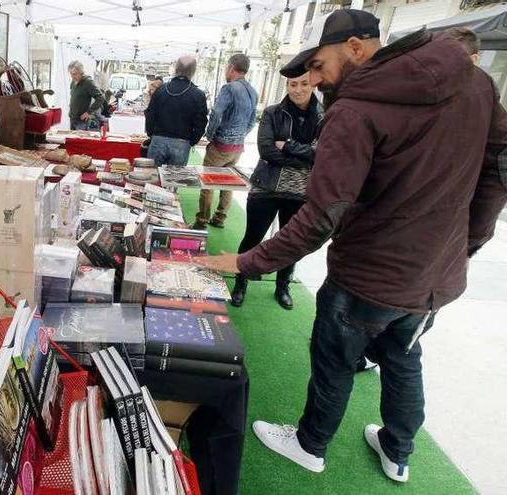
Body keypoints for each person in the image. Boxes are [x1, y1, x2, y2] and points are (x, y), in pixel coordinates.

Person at [200, 10, 507, 482]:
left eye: (320, 65)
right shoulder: (479, 86)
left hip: (368, 272)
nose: (315, 78)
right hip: (433, 276)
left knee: (336, 361)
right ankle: (397, 450)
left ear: (356, 48)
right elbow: (498, 172)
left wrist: (246, 260)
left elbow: (322, 214)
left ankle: (310, 445)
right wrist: (467, 242)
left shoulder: (354, 108)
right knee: (403, 358)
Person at [232, 72, 322, 310]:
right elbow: (266, 150)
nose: (298, 89)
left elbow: (323, 154)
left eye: (304, 84)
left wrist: (289, 146)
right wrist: (306, 156)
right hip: (267, 187)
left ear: (314, 84)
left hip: (302, 192)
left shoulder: (325, 115)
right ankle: (241, 281)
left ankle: (283, 285)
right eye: (293, 84)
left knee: (292, 242)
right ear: (287, 85)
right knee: (253, 237)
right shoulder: (273, 112)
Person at [194, 54, 258, 229]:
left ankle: (202, 220)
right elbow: (252, 120)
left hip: (221, 144)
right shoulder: (253, 91)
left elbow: (216, 113)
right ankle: (220, 217)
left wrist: (210, 134)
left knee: (207, 182)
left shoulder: (229, 88)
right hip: (238, 146)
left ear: (231, 67)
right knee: (227, 182)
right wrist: (241, 135)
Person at [144, 55, 209, 166]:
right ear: (193, 71)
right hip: (182, 142)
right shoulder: (198, 94)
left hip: (158, 140)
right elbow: (201, 123)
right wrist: (192, 141)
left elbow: (150, 114)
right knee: (174, 180)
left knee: (153, 178)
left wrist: (152, 134)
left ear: (176, 69)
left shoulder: (161, 89)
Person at [68, 60, 106, 130]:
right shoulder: (73, 81)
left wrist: (89, 112)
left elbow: (100, 97)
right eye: (71, 74)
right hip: (73, 118)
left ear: (81, 72)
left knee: (79, 140)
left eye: (74, 74)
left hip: (81, 121)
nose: (72, 76)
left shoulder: (88, 82)